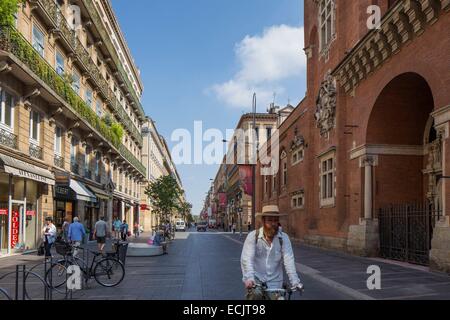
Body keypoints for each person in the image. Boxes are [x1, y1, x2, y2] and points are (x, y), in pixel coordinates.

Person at [241, 205, 304, 300]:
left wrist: (295, 282)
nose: (273, 223)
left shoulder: (283, 238)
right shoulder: (253, 236)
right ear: (263, 221)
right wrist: (249, 278)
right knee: (256, 295)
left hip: (276, 282)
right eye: (270, 220)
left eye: (275, 220)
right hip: (256, 280)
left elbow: (289, 261)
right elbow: (247, 259)